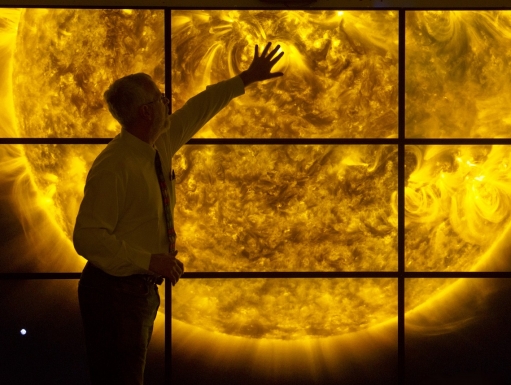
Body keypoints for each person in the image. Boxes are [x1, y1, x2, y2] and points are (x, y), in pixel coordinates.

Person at [73, 42, 284, 385]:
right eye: (159, 98)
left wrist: (245, 78)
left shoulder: (158, 145)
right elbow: (87, 237)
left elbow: (199, 109)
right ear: (145, 112)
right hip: (114, 295)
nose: (167, 103)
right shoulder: (115, 167)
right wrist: (149, 260)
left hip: (135, 291)